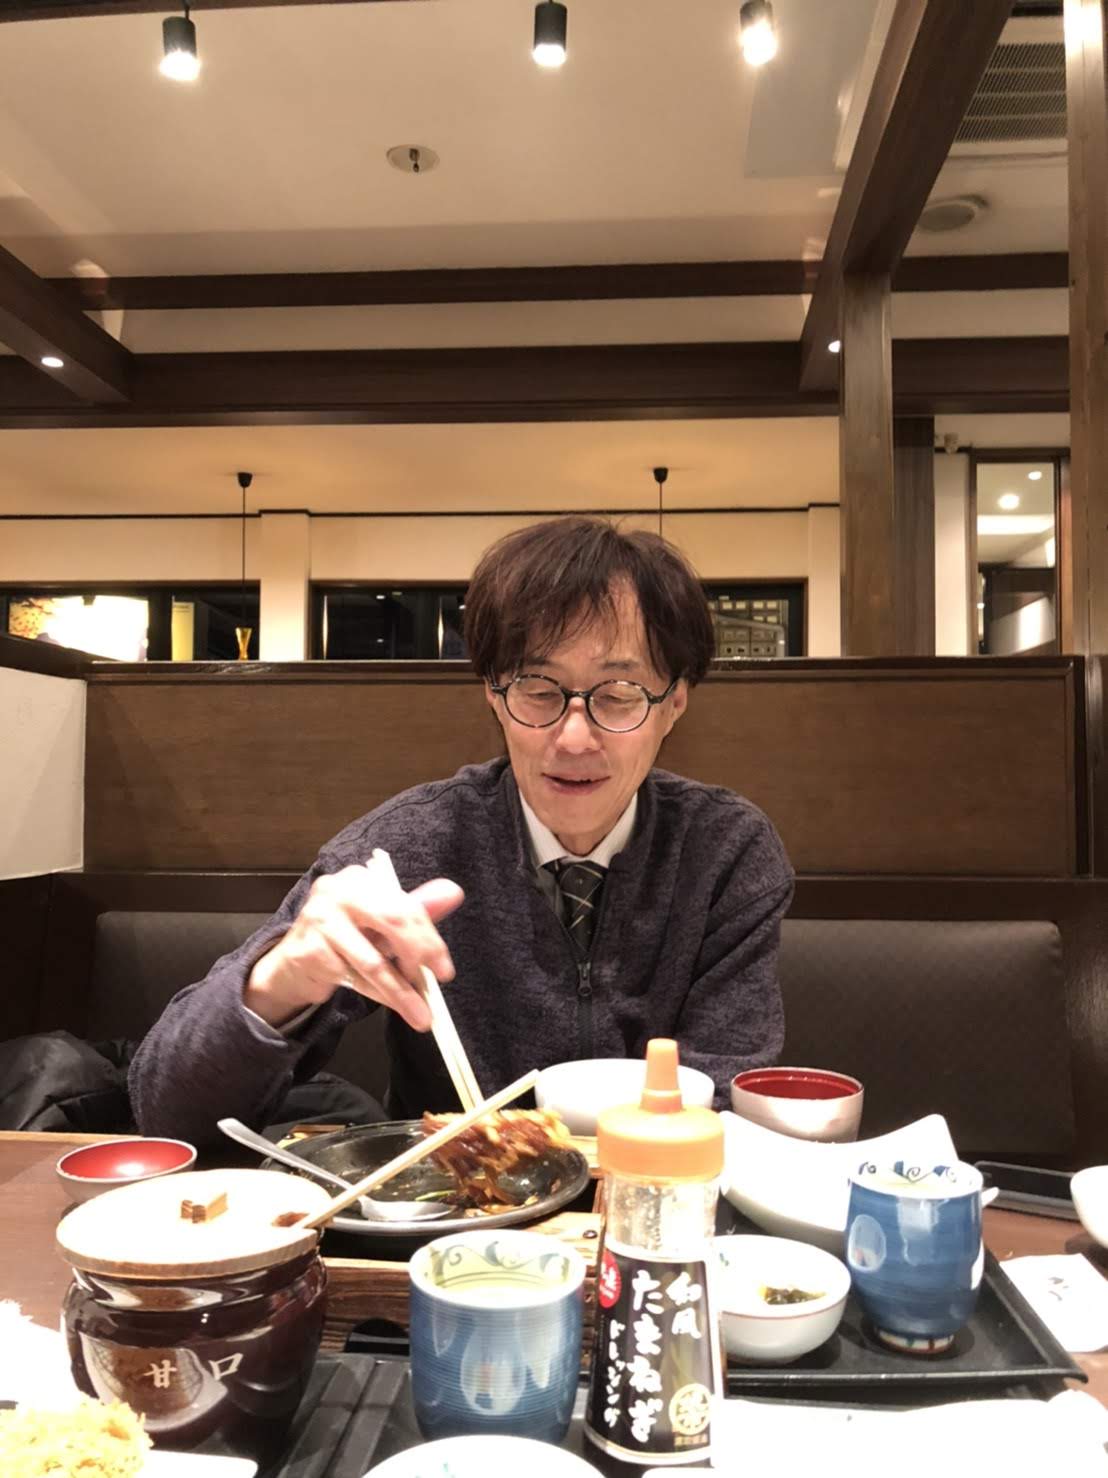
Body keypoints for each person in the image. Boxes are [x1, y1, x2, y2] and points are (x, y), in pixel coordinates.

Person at [130, 517, 794, 1145]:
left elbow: (722, 1102)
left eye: (618, 694)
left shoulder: (724, 853)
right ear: (493, 695)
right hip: (448, 1209)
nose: (573, 737)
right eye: (538, 689)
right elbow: (165, 1109)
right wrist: (281, 980)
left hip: (655, 1200)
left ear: (673, 704)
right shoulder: (405, 850)